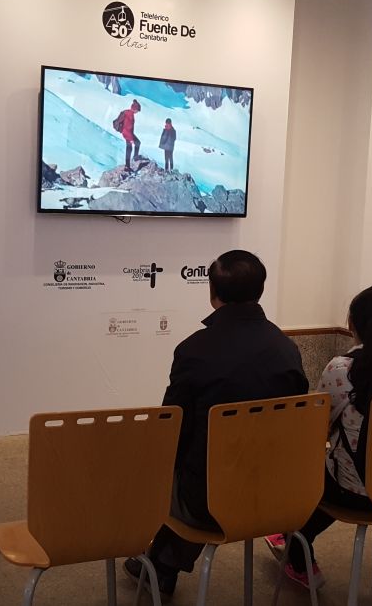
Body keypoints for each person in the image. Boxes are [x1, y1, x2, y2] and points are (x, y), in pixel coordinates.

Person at [125, 250, 308, 596]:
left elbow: (171, 431)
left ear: (213, 292)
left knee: (179, 472)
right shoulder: (287, 349)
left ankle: (161, 566)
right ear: (260, 290)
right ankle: (161, 563)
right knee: (210, 470)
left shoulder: (194, 350)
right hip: (277, 491)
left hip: (209, 501)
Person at [266, 285, 372, 588]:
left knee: (313, 471)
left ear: (351, 324)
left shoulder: (340, 369)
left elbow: (316, 429)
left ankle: (297, 552)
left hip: (357, 492)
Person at [118, 99, 143, 170]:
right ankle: (128, 165)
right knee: (130, 147)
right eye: (138, 110)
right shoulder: (130, 116)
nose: (138, 112)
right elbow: (128, 129)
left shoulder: (128, 112)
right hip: (127, 134)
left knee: (133, 145)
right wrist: (131, 139)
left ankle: (130, 162)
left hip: (126, 133)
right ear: (135, 109)